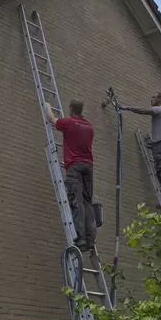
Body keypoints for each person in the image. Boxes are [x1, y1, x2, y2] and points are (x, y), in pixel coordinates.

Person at [45, 99, 96, 251]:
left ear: (71, 108)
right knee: (87, 203)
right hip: (89, 166)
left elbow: (52, 120)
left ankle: (80, 238)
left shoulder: (69, 123)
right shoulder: (89, 126)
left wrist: (47, 106)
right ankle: (90, 239)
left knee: (76, 202)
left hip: (75, 166)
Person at [120, 91, 161, 206]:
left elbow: (143, 111)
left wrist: (126, 108)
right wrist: (153, 143)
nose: (151, 99)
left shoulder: (159, 109)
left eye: (154, 97)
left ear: (160, 100)